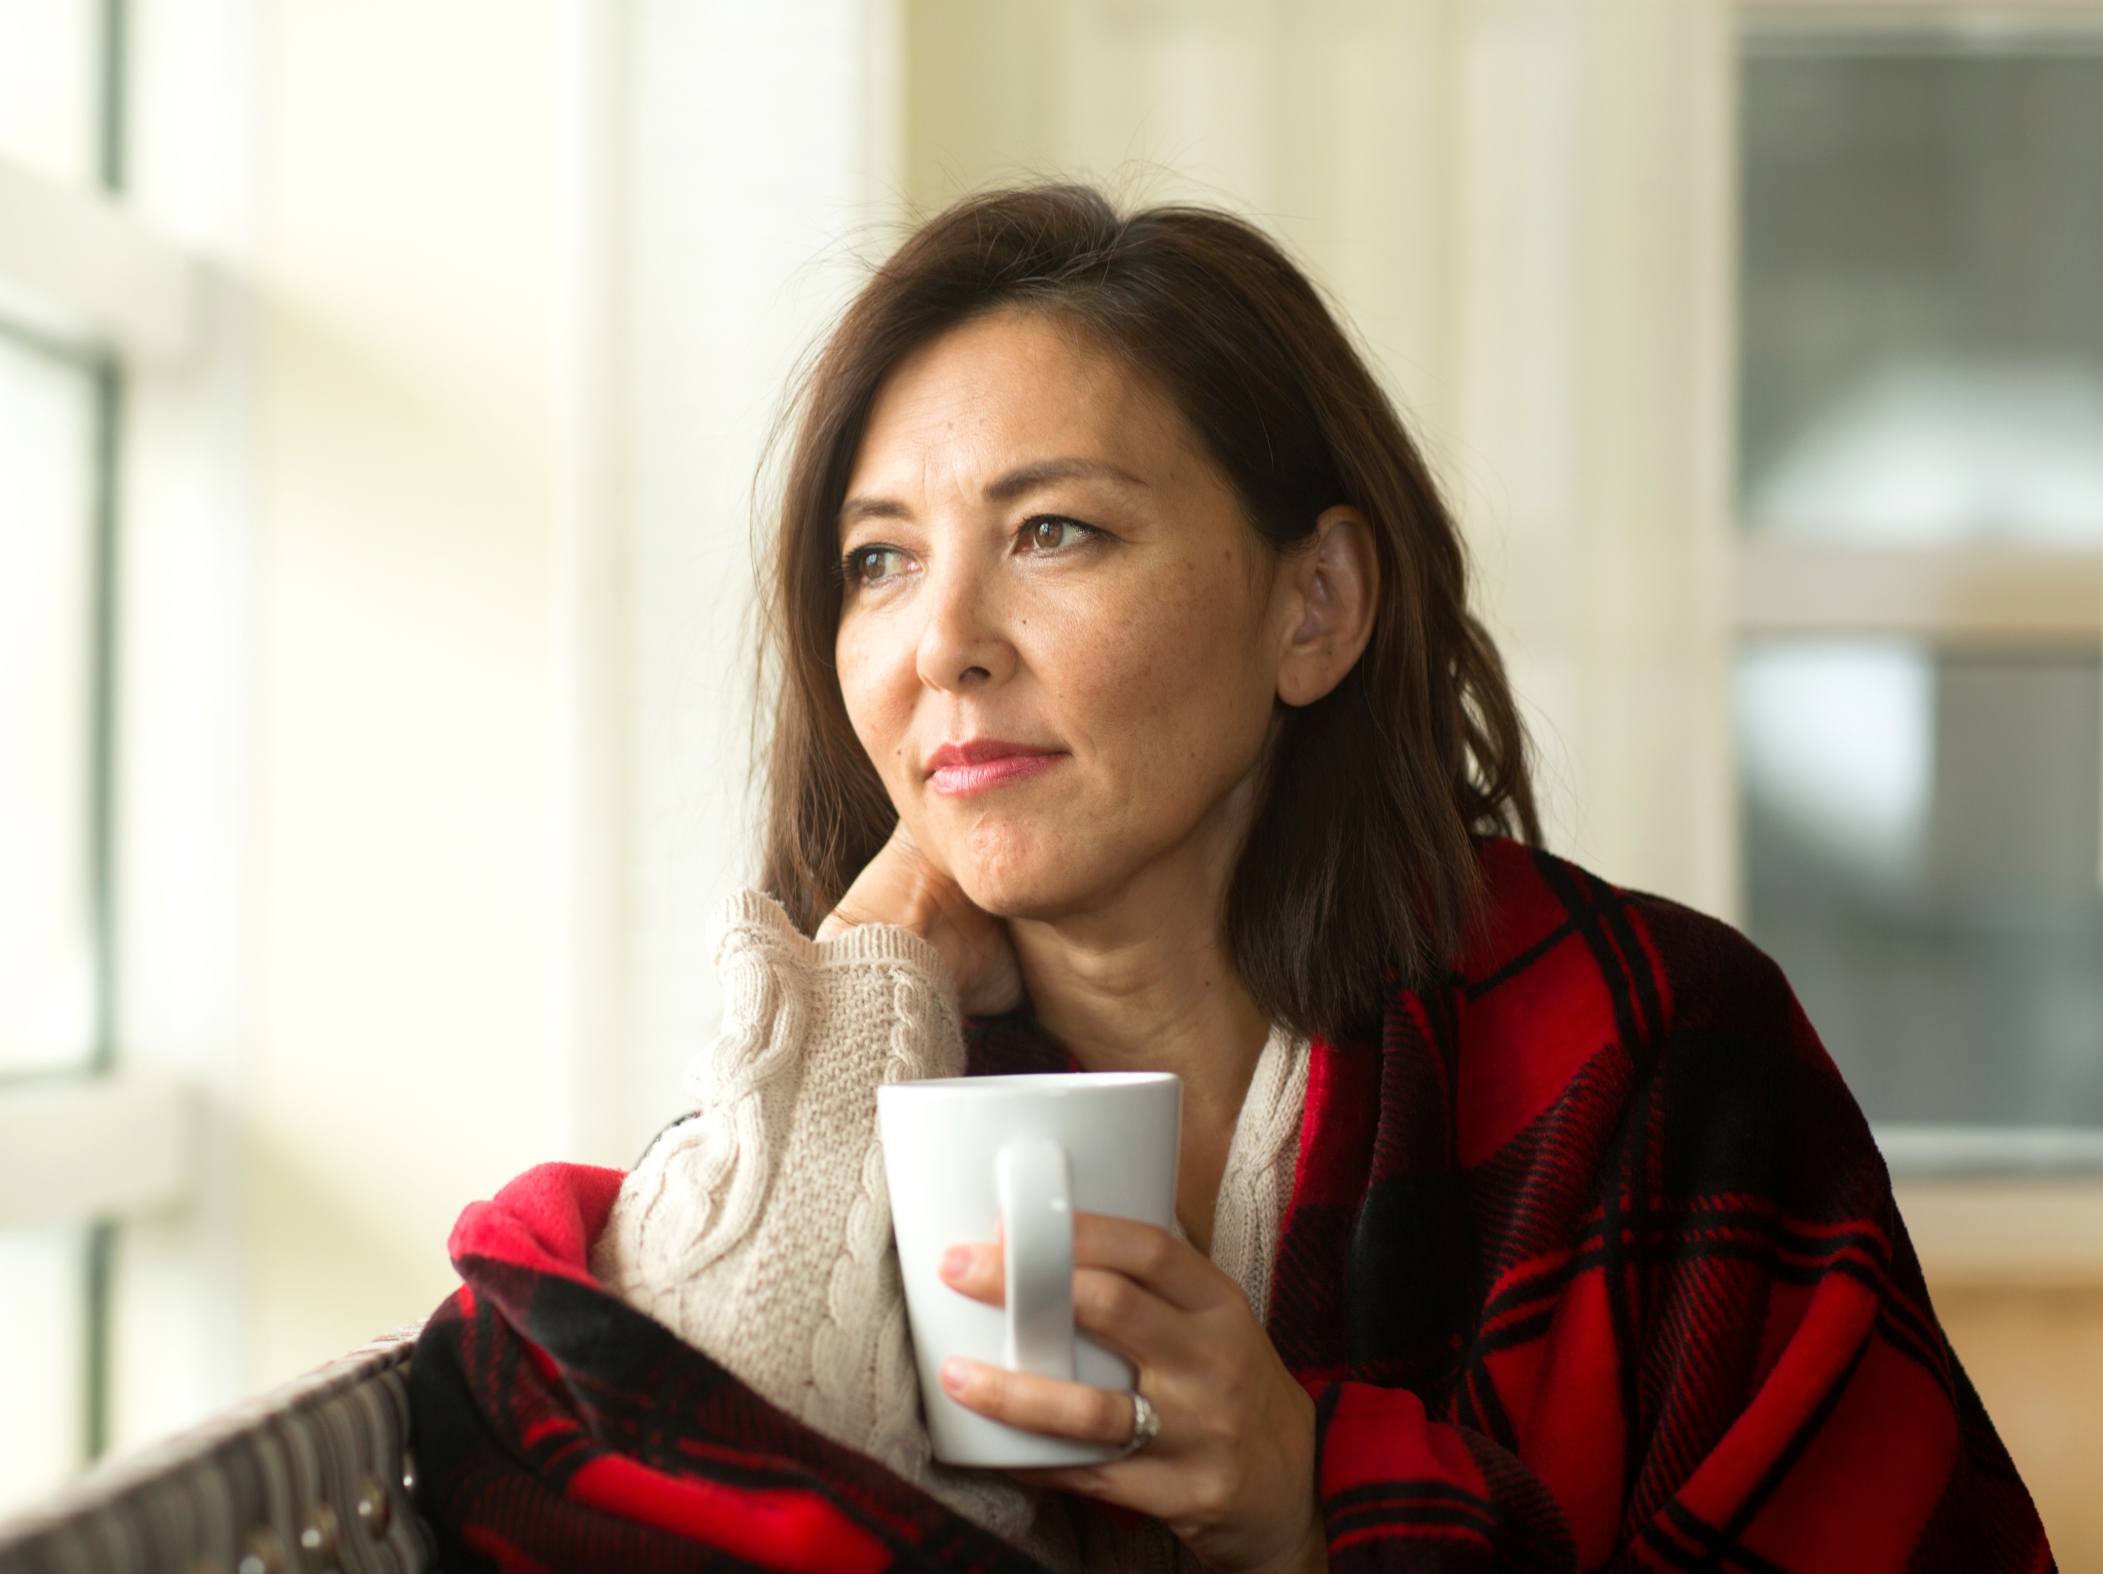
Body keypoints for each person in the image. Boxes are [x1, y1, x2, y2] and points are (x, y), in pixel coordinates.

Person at [410, 185, 2053, 1574]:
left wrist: (1320, 1498)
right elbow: (618, 1491)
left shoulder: (1653, 1053)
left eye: (1053, 532)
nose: (942, 647)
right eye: (879, 560)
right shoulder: (860, 1071)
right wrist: (860, 988)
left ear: (1316, 607)